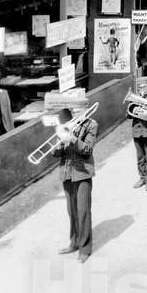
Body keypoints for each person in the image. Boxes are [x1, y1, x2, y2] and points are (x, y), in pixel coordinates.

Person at [53, 100, 98, 263]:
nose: (76, 111)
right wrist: (60, 143)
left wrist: (72, 138)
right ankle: (74, 242)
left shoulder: (91, 124)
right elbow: (55, 153)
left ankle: (85, 248)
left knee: (83, 211)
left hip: (82, 172)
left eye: (79, 108)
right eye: (74, 108)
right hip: (66, 172)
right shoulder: (65, 124)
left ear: (86, 109)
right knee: (72, 211)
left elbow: (87, 150)